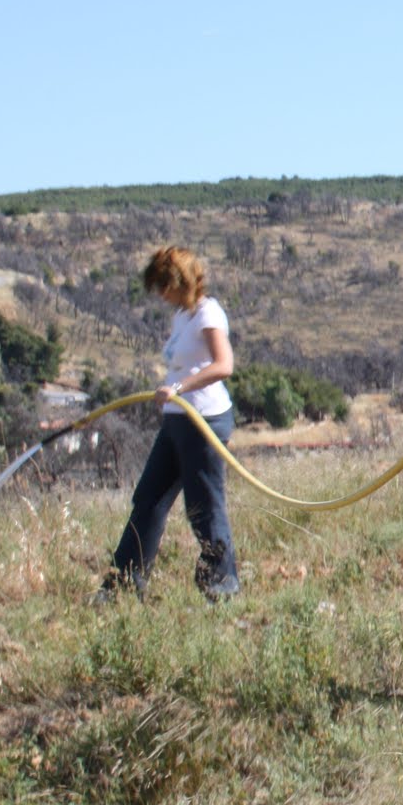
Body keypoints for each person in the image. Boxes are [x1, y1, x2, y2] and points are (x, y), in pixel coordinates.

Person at [100, 246, 241, 600]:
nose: (161, 295)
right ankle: (125, 583)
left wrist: (179, 387)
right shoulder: (183, 315)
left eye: (164, 286)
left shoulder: (209, 313)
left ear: (180, 281)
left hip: (203, 421)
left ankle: (222, 586)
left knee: (204, 507)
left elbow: (224, 365)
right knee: (149, 499)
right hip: (176, 420)